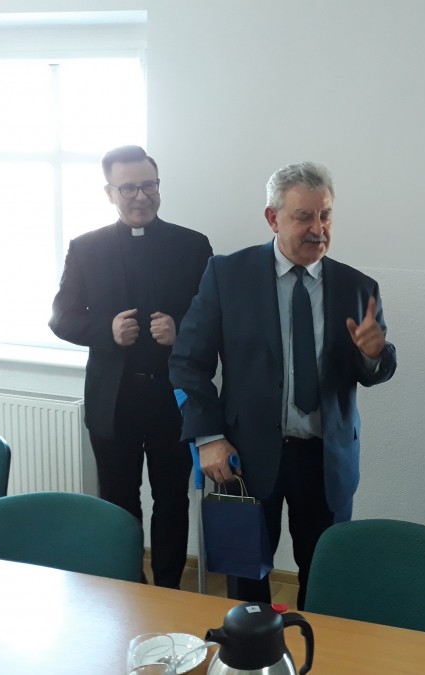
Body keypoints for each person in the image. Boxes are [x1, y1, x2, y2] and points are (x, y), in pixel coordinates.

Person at [169, 161, 397, 608]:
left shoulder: (357, 286)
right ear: (273, 218)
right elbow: (187, 363)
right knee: (245, 584)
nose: (318, 229)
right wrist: (208, 437)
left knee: (328, 580)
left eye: (325, 215)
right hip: (245, 457)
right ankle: (252, 648)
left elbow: (378, 370)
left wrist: (374, 354)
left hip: (326, 459)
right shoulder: (227, 276)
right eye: (304, 217)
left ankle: (319, 645)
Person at [49, 145, 212, 588]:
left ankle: (168, 588)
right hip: (113, 400)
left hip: (172, 399)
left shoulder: (193, 245)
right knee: (118, 501)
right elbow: (61, 317)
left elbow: (215, 318)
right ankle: (126, 586)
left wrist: (181, 329)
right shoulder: (86, 247)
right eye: (128, 188)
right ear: (110, 193)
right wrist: (106, 330)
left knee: (172, 500)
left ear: (158, 186)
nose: (141, 196)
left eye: (149, 185)